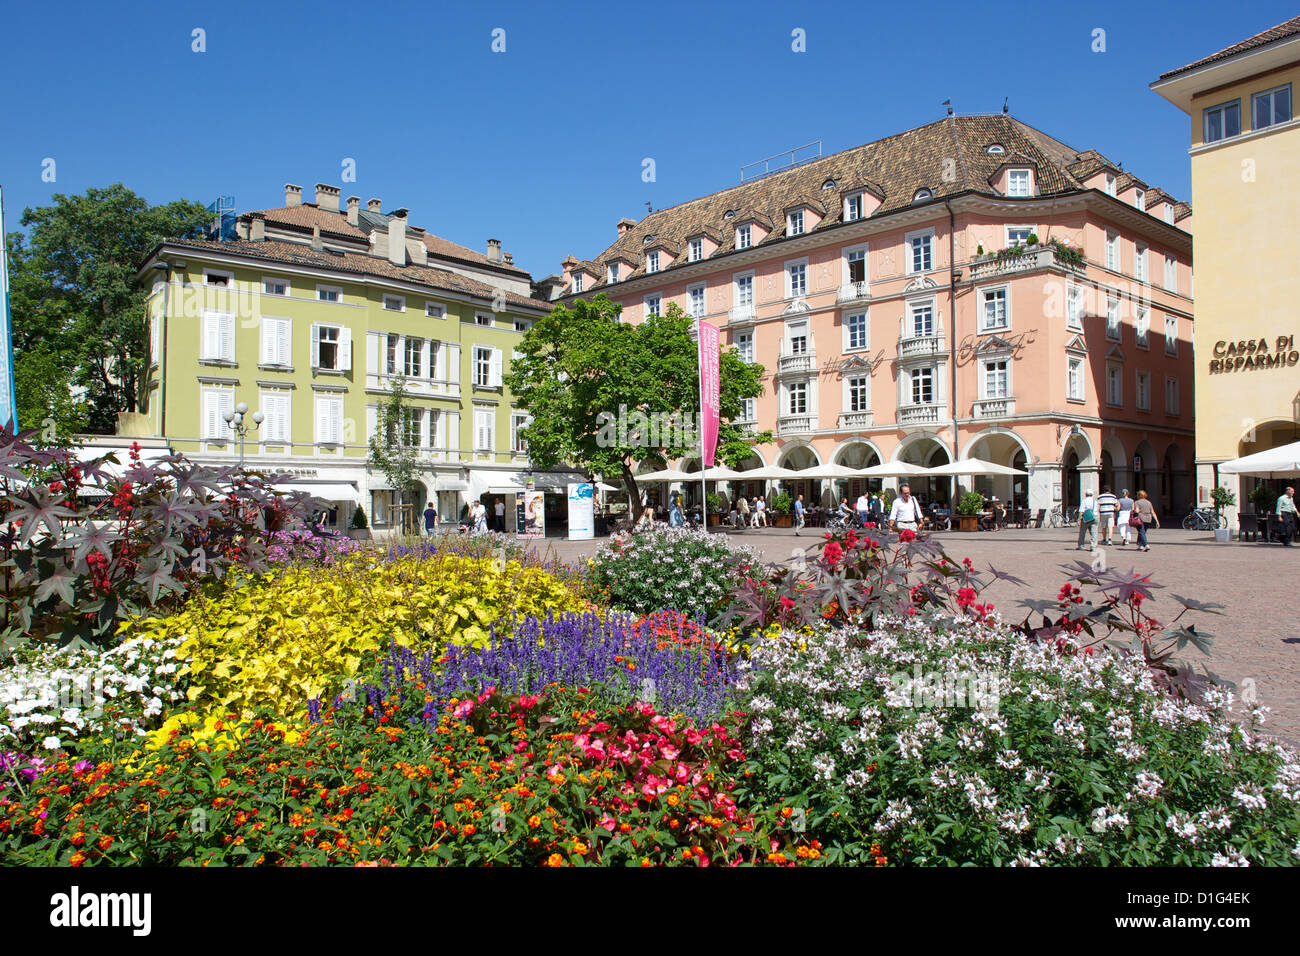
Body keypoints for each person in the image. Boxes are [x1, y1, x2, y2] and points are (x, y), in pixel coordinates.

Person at [1076, 487, 1097, 552]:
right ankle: (1093, 546)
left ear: (1086, 494)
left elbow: (1081, 511)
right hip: (1094, 517)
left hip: (1086, 518)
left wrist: (1079, 519)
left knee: (1083, 532)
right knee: (1094, 533)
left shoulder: (1084, 501)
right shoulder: (1095, 501)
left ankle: (1081, 545)